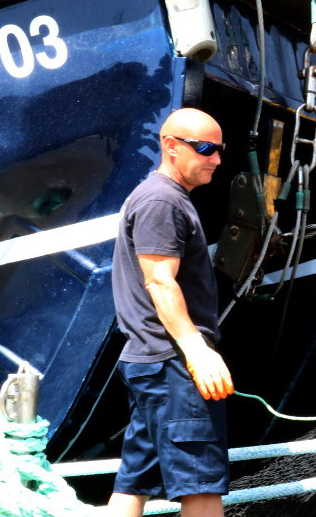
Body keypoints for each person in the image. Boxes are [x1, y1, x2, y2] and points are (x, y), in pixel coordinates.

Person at [107, 108, 234, 517]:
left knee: (134, 481)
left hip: (151, 362)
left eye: (219, 149)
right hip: (172, 365)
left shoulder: (163, 198)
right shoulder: (162, 201)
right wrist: (196, 350)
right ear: (171, 147)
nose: (215, 158)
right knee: (201, 485)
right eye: (205, 148)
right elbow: (160, 281)